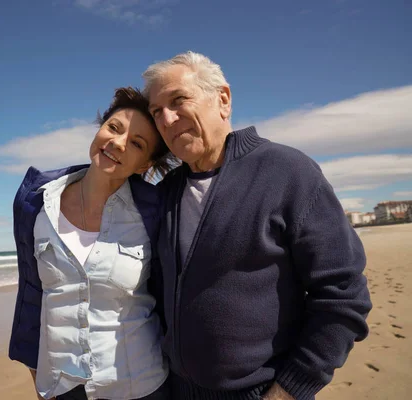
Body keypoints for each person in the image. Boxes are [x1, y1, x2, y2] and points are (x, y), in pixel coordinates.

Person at [142, 51, 372, 400]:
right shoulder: (166, 193)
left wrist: (290, 388)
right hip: (176, 389)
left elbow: (344, 296)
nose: (167, 119)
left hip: (260, 392)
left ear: (223, 99)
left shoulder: (287, 171)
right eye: (156, 112)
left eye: (179, 100)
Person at [8, 87, 173, 400]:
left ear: (143, 166)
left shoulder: (152, 214)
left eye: (136, 144)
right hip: (64, 388)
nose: (118, 143)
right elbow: (33, 293)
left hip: (140, 387)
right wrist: (37, 373)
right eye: (114, 127)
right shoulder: (36, 204)